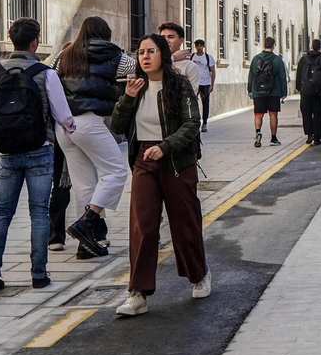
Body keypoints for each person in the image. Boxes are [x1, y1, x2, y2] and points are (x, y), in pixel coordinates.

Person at [108, 33, 208, 317]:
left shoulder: (179, 86)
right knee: (143, 225)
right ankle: (137, 293)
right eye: (141, 52)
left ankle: (199, 274)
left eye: (151, 51)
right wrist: (126, 98)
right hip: (143, 160)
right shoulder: (135, 87)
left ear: (163, 54)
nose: (145, 57)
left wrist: (165, 148)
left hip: (176, 161)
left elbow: (192, 124)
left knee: (184, 222)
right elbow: (117, 125)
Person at [0, 17, 76, 294]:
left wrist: (3, 143)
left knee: (1, 214)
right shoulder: (45, 73)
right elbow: (63, 116)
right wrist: (71, 129)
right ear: (35, 42)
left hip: (7, 153)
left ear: (12, 40)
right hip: (39, 150)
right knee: (38, 213)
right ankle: (38, 275)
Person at [55, 16, 133, 260]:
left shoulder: (64, 56)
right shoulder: (117, 57)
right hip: (89, 122)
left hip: (65, 125)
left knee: (83, 185)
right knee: (116, 172)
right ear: (106, 33)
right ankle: (87, 222)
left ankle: (85, 245)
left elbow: (51, 80)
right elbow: (140, 69)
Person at [247, 35, 289, 146]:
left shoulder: (256, 59)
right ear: (273, 46)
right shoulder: (277, 60)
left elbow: (251, 75)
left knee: (258, 114)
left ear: (264, 45)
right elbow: (282, 76)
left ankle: (258, 132)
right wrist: (284, 92)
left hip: (258, 91)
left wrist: (250, 90)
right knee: (273, 114)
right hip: (273, 91)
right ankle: (273, 138)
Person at [295, 39, 321, 144]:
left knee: (306, 113)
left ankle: (309, 134)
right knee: (318, 113)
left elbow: (299, 75)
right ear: (319, 47)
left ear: (311, 47)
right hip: (318, 91)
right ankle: (317, 137)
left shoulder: (303, 59)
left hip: (305, 91)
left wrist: (299, 88)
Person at [158, 22, 203, 93]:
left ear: (181, 40)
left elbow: (191, 96)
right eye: (163, 37)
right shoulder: (155, 62)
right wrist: (173, 58)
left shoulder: (190, 66)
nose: (166, 40)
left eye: (171, 37)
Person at [190, 39, 215, 131]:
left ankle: (204, 123)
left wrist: (211, 84)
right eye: (197, 46)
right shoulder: (192, 57)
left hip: (205, 83)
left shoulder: (208, 58)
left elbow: (213, 71)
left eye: (201, 46)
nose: (199, 47)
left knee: (205, 103)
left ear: (203, 46)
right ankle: (194, 121)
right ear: (195, 46)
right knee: (192, 102)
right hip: (194, 83)